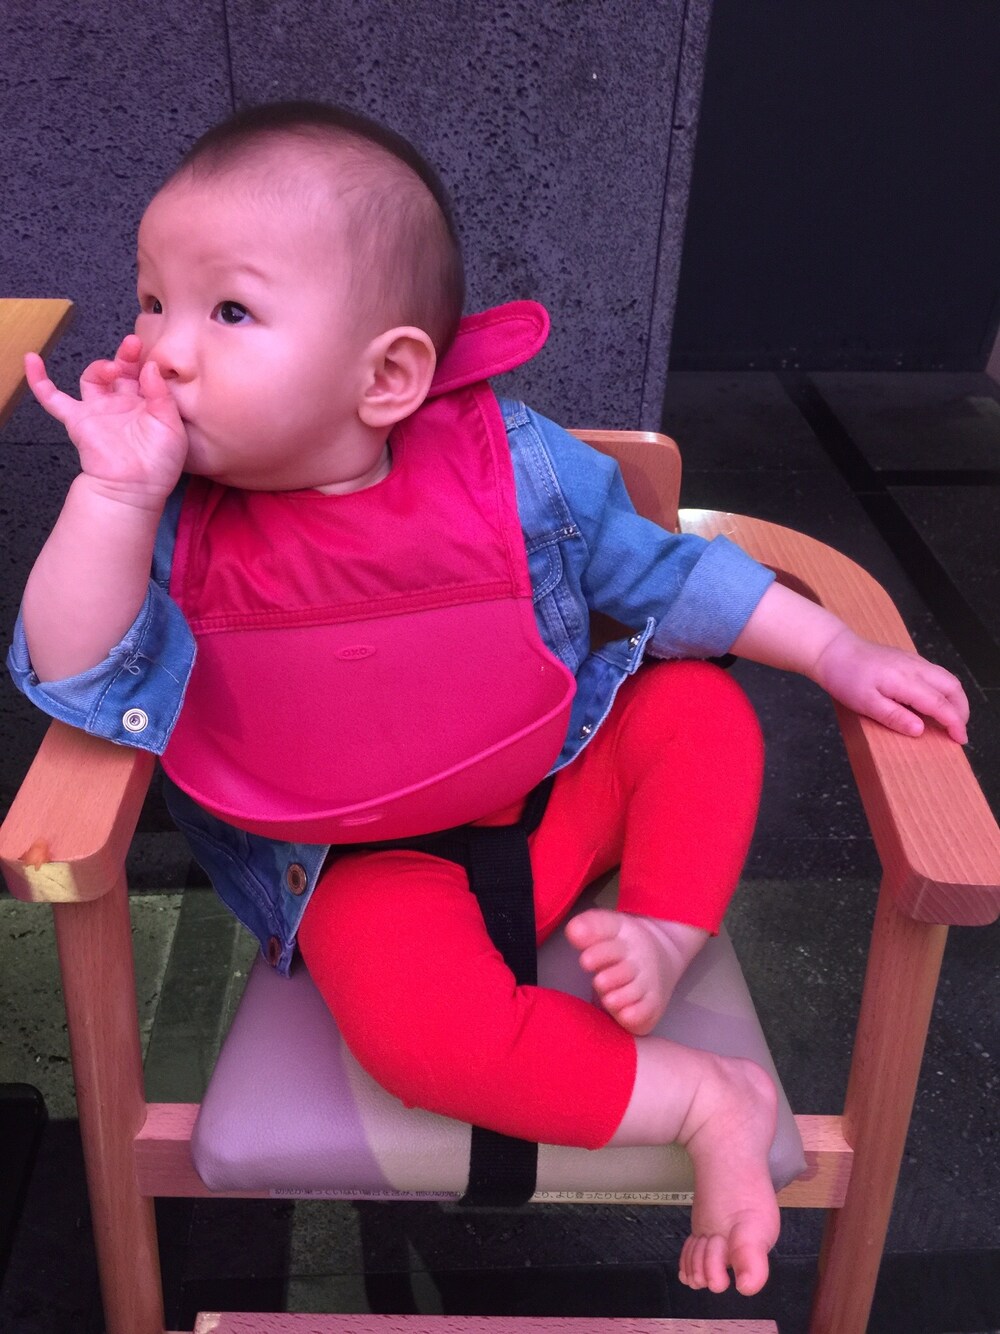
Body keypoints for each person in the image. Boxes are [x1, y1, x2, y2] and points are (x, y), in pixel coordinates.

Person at [9, 101, 969, 1299]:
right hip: (364, 869)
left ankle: (664, 931)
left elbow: (669, 578)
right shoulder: (169, 525)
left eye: (229, 311)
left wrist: (834, 652)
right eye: (153, 300)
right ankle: (700, 1094)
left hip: (552, 788)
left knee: (698, 712)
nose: (162, 350)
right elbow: (79, 668)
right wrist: (110, 497)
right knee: (421, 1038)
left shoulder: (516, 467)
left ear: (388, 374)